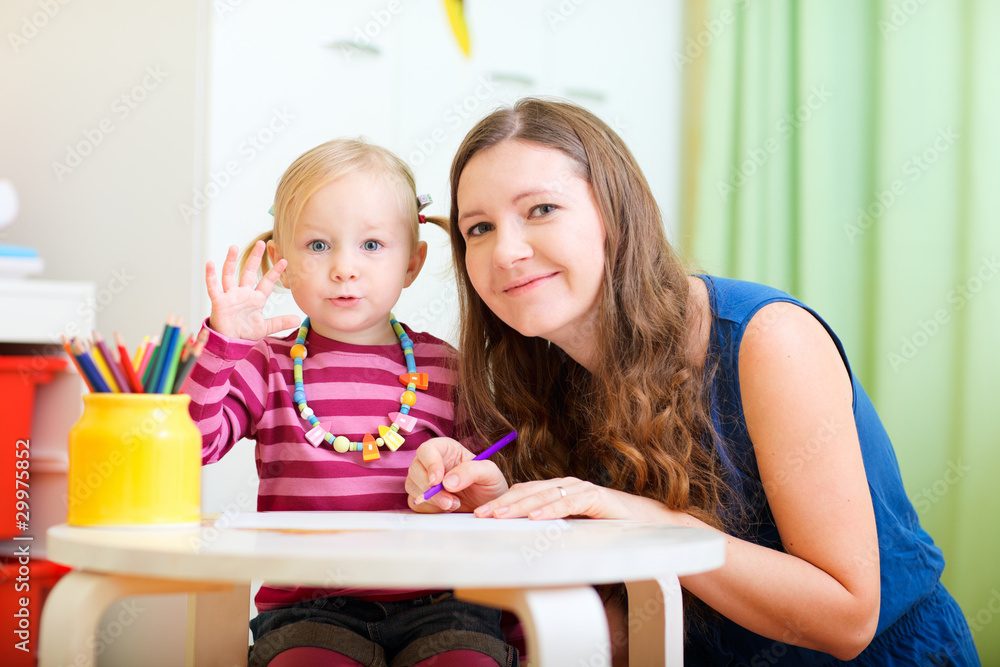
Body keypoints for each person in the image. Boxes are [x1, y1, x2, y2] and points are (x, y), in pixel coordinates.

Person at [405, 98, 981, 665]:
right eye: (478, 228)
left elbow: (848, 619)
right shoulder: (541, 383)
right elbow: (628, 634)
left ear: (617, 214)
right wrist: (504, 519)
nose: (505, 251)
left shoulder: (769, 340)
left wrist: (655, 525)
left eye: (541, 210)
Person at [186, 138, 518, 667]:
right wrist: (223, 344)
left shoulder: (447, 367)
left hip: (443, 605)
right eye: (318, 246)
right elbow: (190, 447)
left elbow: (494, 495)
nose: (344, 267)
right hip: (309, 608)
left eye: (371, 245)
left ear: (413, 263)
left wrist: (467, 487)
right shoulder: (266, 364)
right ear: (282, 261)